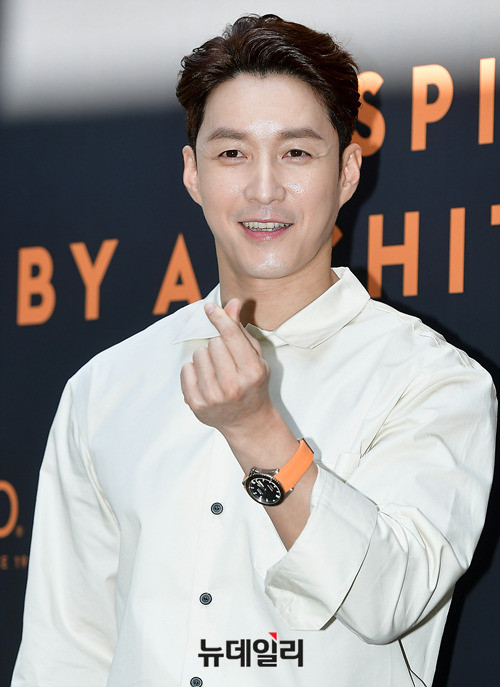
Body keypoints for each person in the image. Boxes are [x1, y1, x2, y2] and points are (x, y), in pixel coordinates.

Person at [12, 14, 496, 687]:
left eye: (296, 153)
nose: (263, 188)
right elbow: (66, 654)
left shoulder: (432, 380)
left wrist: (259, 432)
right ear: (192, 172)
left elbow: (390, 597)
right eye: (232, 154)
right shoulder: (105, 388)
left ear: (348, 171)